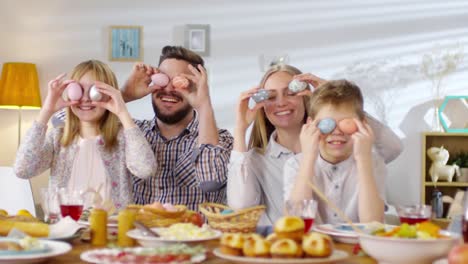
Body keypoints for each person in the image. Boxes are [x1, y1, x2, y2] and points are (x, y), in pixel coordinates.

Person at [227, 64, 402, 225]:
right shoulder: (258, 160)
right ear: (262, 107)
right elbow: (240, 208)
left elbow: (393, 147)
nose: (281, 102)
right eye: (271, 96)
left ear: (306, 98)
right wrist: (240, 130)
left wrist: (338, 104)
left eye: (291, 92)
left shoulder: (337, 150)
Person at [14, 60, 156, 210]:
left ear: (109, 95)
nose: (86, 98)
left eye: (95, 91)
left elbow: (145, 169)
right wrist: (46, 111)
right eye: (78, 90)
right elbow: (23, 169)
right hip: (66, 229)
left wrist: (122, 112)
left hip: (110, 228)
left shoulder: (122, 137)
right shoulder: (58, 138)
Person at [120, 46, 233, 210]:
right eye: (163, 79)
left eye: (180, 82)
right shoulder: (131, 133)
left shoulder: (222, 140)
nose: (169, 89)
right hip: (139, 234)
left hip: (192, 234)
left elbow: (210, 181)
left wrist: (203, 105)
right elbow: (74, 124)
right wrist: (124, 95)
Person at [284, 79, 385, 224]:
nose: (337, 132)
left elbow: (373, 224)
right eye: (327, 124)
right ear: (310, 125)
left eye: (346, 123)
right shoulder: (295, 164)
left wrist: (363, 160)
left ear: (362, 125)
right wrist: (308, 157)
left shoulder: (373, 162)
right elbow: (296, 223)